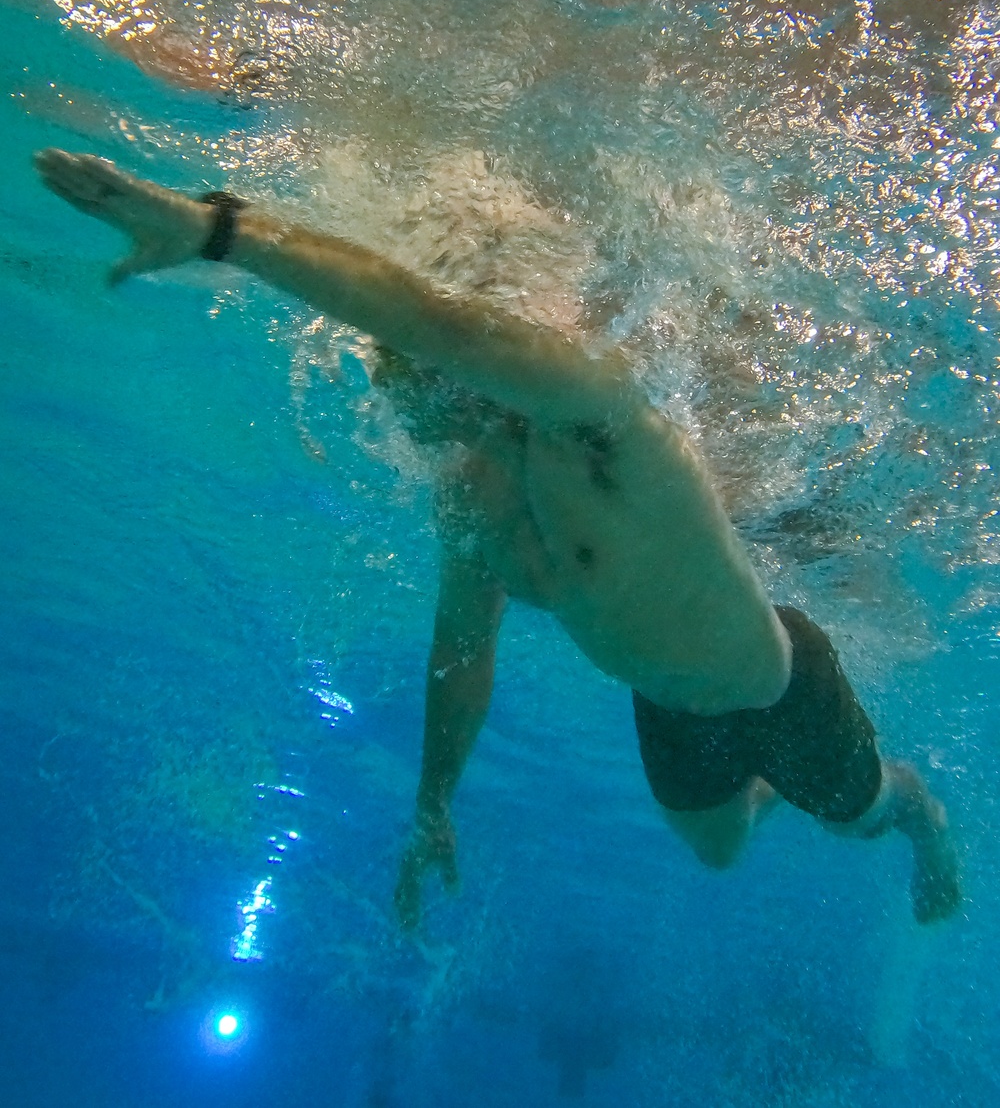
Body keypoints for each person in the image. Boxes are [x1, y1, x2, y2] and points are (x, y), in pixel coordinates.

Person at [34, 147, 961, 930]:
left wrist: (219, 233)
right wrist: (432, 803)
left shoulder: (595, 419)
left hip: (772, 682)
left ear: (461, 377)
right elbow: (462, 654)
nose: (398, 408)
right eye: (393, 390)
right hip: (667, 700)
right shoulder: (474, 497)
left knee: (857, 815)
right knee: (719, 851)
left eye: (412, 385)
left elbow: (428, 318)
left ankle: (911, 799)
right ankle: (777, 787)